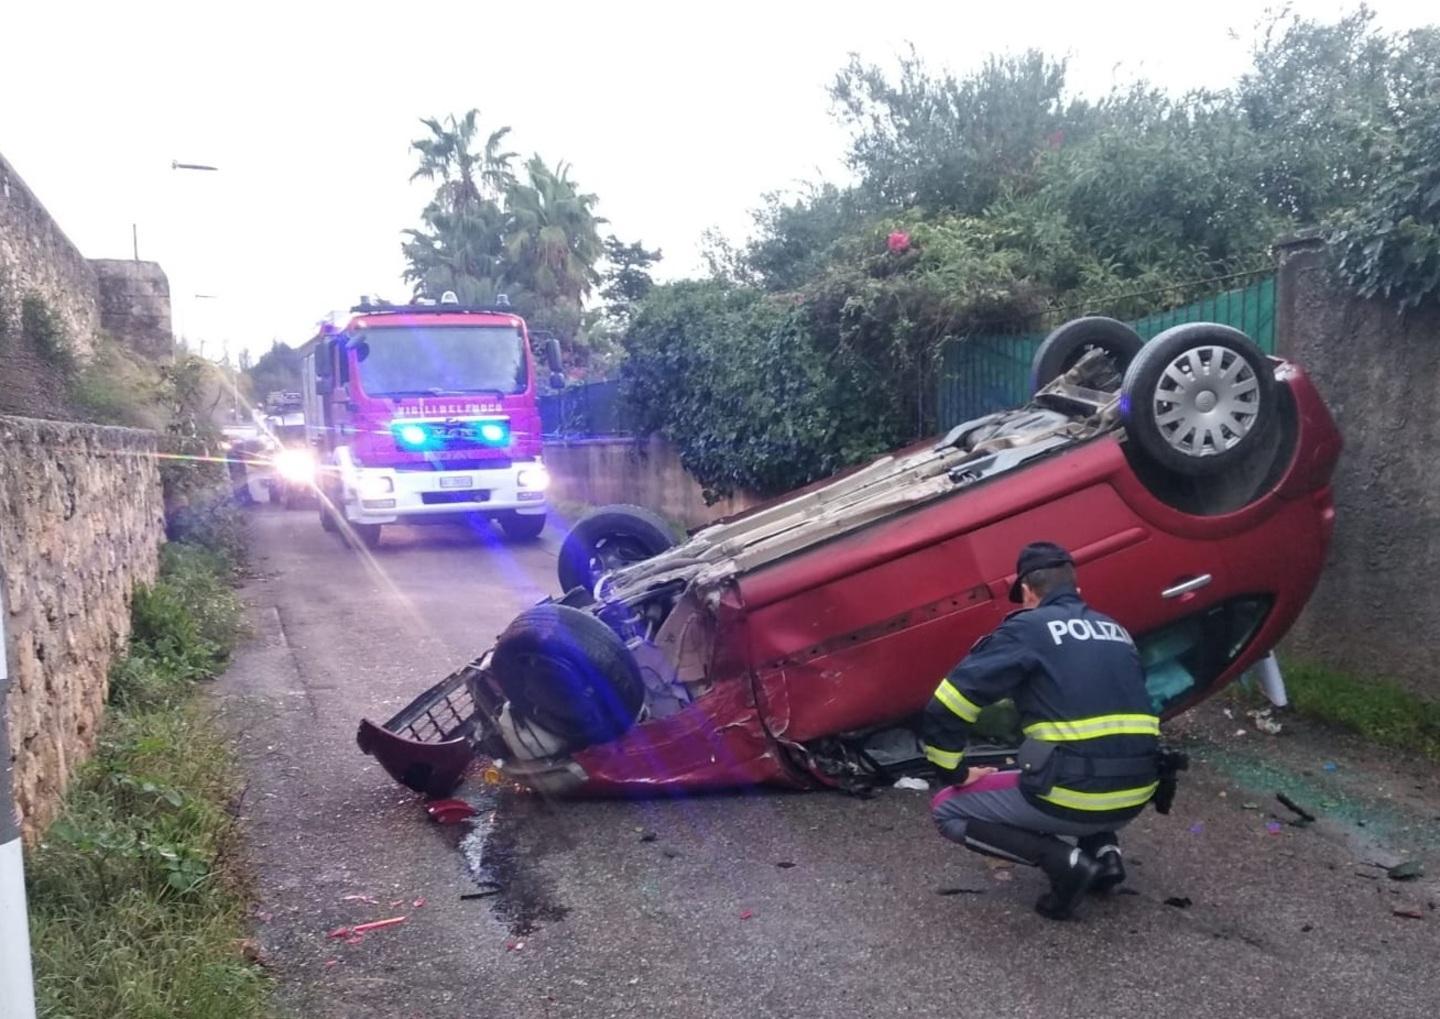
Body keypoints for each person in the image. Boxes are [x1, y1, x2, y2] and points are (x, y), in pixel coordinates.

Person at [922, 541, 1160, 920]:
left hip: (1075, 797)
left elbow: (948, 704)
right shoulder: (1117, 631)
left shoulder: (1028, 628)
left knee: (946, 809)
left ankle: (1065, 863)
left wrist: (954, 770)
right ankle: (1106, 854)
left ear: (1029, 592)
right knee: (1085, 752)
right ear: (1077, 591)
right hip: (1138, 795)